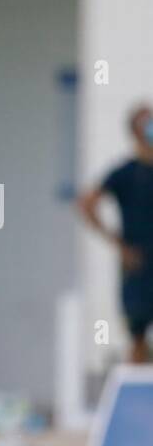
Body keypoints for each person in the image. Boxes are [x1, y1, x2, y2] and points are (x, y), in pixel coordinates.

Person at [77, 103, 153, 363]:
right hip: (140, 264)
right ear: (136, 131)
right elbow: (86, 203)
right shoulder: (126, 173)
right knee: (138, 336)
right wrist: (118, 245)